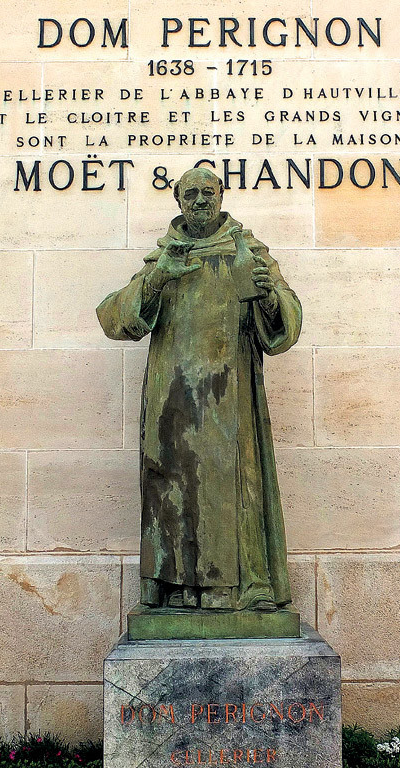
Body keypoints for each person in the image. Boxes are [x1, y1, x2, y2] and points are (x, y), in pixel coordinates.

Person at [97, 167, 302, 614]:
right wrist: (157, 279)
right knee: (174, 493)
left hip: (230, 397)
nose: (200, 200)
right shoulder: (166, 255)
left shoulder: (247, 250)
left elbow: (286, 324)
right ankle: (179, 589)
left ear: (221, 194)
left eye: (208, 192)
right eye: (190, 193)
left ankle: (242, 587)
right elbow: (115, 319)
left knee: (232, 489)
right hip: (172, 399)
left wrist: (268, 297)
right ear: (178, 199)